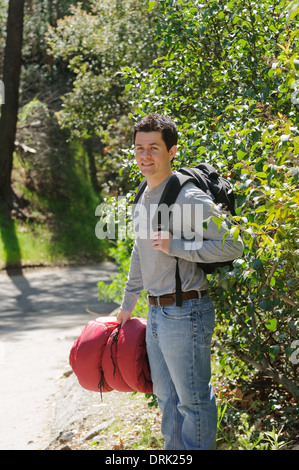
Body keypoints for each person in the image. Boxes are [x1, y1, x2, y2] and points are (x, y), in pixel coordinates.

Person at [117, 113, 244, 450]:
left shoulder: (188, 197)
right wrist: (129, 302)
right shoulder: (144, 191)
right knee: (167, 402)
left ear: (172, 151)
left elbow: (234, 244)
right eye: (139, 148)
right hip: (156, 313)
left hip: (186, 311)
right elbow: (139, 250)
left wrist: (178, 246)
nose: (145, 156)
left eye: (154, 148)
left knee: (193, 402)